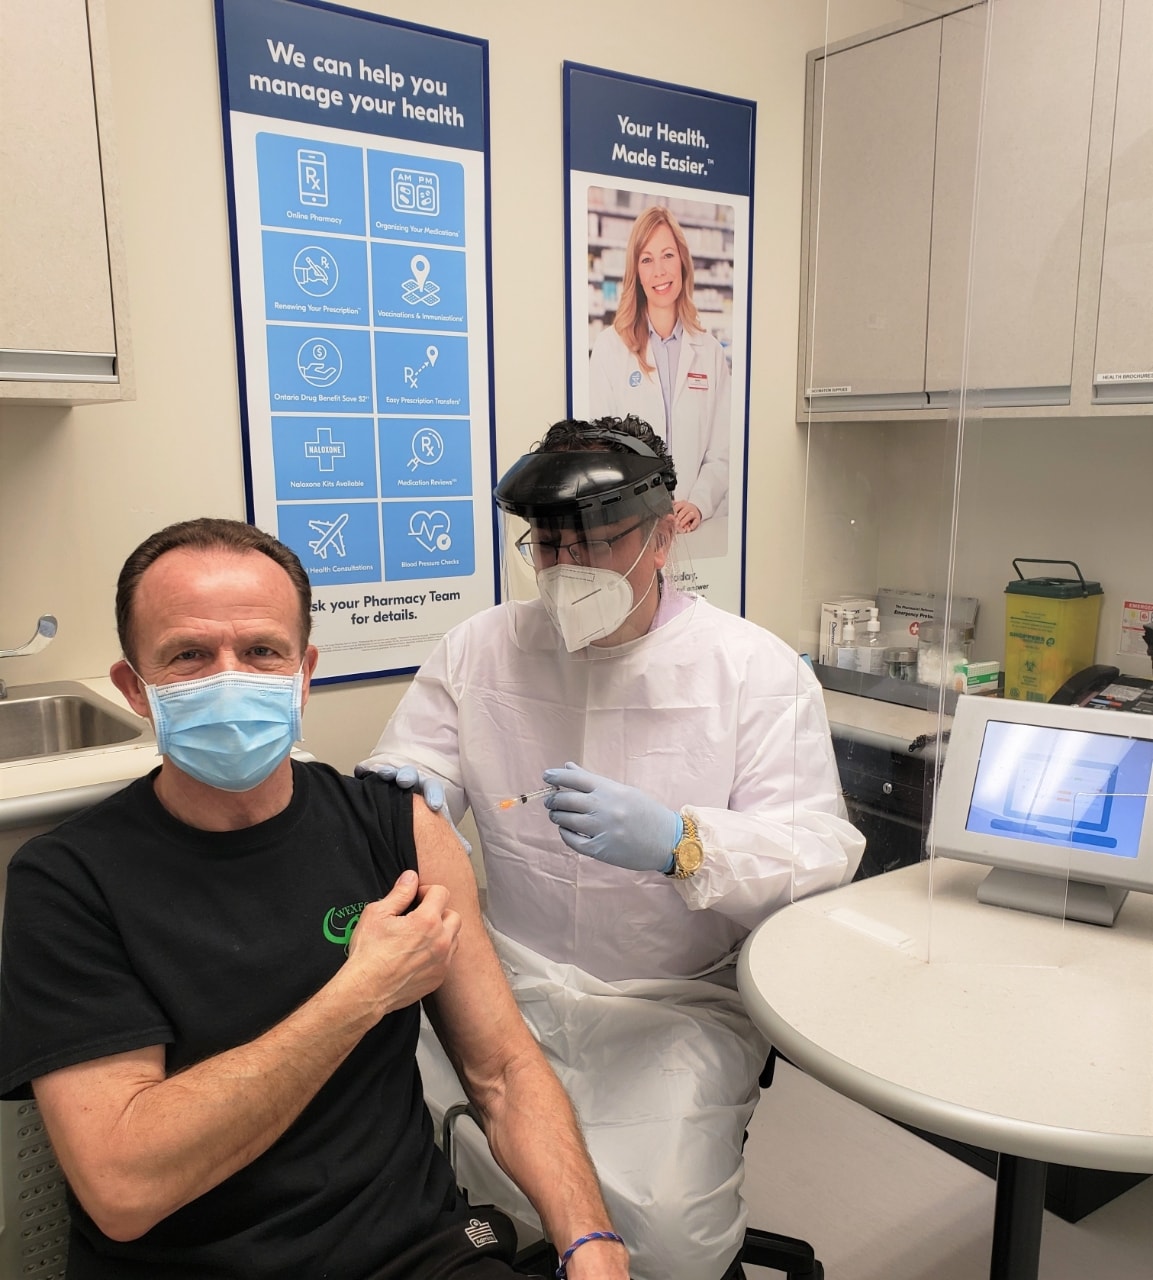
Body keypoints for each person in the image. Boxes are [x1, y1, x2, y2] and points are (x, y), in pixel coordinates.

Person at [0, 518, 630, 1280]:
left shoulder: (397, 828)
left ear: (304, 672)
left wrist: (592, 1244)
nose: (230, 677)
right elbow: (123, 1188)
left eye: (262, 651)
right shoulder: (67, 882)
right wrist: (358, 993)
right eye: (189, 656)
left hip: (420, 1255)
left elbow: (503, 1072)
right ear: (135, 687)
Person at [360, 417, 865, 1280]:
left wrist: (685, 845)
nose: (569, 567)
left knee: (664, 1232)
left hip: (672, 999)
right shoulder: (481, 647)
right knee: (441, 1178)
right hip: (504, 975)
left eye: (597, 540)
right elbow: (412, 760)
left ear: (664, 532)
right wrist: (411, 785)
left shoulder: (752, 670)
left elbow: (819, 849)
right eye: (548, 546)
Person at [588, 204, 731, 532]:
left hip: (695, 528)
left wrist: (699, 502)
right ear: (635, 271)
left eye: (667, 255)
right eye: (646, 259)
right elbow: (603, 451)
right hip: (633, 528)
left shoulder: (709, 352)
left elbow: (722, 451)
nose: (659, 271)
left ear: (683, 260)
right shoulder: (611, 348)